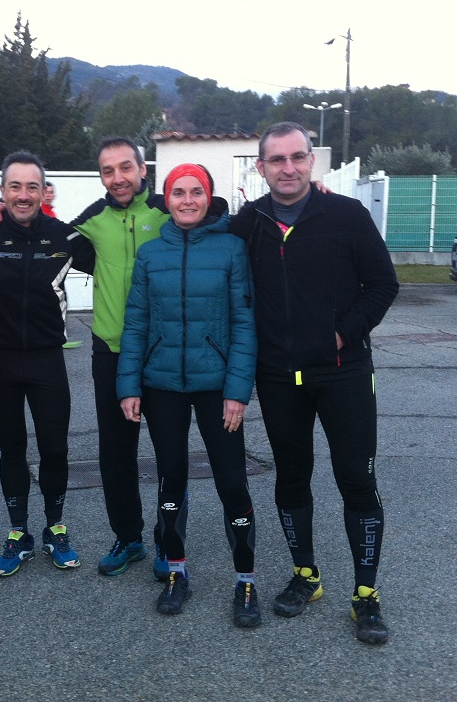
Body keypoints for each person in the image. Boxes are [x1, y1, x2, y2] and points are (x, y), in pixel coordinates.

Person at [229, 121, 399, 645]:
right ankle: (307, 576)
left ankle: (365, 595)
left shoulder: (346, 215)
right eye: (276, 160)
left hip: (343, 373)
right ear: (260, 169)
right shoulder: (247, 224)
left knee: (356, 480)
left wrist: (342, 335)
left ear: (312, 163)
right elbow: (189, 219)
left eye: (297, 158)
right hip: (279, 376)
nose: (288, 168)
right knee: (291, 476)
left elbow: (383, 285)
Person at [0, 136, 172, 578]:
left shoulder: (170, 209)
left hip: (164, 349)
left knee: (169, 453)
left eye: (126, 168)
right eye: (108, 171)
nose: (118, 178)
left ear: (142, 168)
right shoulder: (89, 221)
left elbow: (219, 218)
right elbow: (43, 234)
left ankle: (170, 543)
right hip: (109, 350)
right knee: (115, 453)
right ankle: (128, 538)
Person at [117, 164, 260, 625]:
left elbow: (244, 324)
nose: (187, 200)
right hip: (162, 387)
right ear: (166, 198)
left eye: (196, 192)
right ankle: (176, 571)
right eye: (178, 193)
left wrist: (238, 391)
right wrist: (129, 385)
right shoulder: (150, 254)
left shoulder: (232, 249)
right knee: (171, 478)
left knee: (232, 482)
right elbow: (136, 323)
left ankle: (245, 581)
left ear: (209, 197)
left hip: (218, 388)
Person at [0, 151, 95, 577]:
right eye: (14, 187)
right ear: (2, 192)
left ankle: (56, 526)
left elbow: (117, 242)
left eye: (31, 187)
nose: (23, 195)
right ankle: (18, 533)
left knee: (55, 447)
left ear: (44, 192)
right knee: (12, 448)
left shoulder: (64, 237)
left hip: (47, 362)